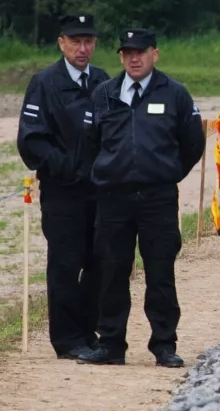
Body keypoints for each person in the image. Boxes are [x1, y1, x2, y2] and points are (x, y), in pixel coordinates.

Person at [79, 29, 204, 367]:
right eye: (127, 53)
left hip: (157, 198)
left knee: (160, 271)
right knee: (112, 270)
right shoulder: (104, 94)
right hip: (114, 199)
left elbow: (193, 142)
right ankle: (111, 344)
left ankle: (164, 345)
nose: (134, 59)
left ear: (154, 54)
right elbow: (90, 144)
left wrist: (167, 172)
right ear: (120, 57)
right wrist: (105, 175)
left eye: (141, 52)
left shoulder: (175, 94)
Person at [17, 13, 110, 361]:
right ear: (62, 43)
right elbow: (31, 140)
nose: (83, 49)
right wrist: (66, 166)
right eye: (76, 42)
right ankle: (67, 339)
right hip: (63, 192)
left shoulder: (102, 82)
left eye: (88, 42)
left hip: (98, 191)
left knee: (99, 260)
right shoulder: (44, 83)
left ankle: (89, 331)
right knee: (66, 264)